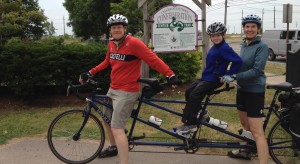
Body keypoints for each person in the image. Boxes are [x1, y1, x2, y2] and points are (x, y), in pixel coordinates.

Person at [79, 14, 180, 164]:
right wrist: (91, 72)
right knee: (106, 118)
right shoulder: (112, 43)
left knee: (117, 127)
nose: (116, 30)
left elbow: (152, 59)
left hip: (127, 91)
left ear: (125, 28)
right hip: (113, 88)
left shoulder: (134, 43)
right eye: (114, 28)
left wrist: (169, 74)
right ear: (110, 30)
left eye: (119, 27)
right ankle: (114, 146)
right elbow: (107, 61)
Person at [175, 22, 243, 134]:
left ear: (223, 35)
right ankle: (201, 112)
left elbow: (238, 61)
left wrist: (230, 74)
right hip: (207, 77)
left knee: (195, 95)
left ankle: (190, 124)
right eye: (212, 36)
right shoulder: (216, 47)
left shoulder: (224, 48)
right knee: (189, 91)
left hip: (214, 79)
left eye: (217, 35)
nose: (215, 38)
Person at [226, 14, 269, 164]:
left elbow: (257, 70)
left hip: (254, 92)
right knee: (246, 126)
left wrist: (236, 76)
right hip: (242, 90)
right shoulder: (244, 44)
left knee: (257, 132)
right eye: (247, 26)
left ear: (258, 29)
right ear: (244, 28)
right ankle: (246, 151)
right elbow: (241, 65)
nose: (250, 29)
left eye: (253, 26)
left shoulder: (262, 46)